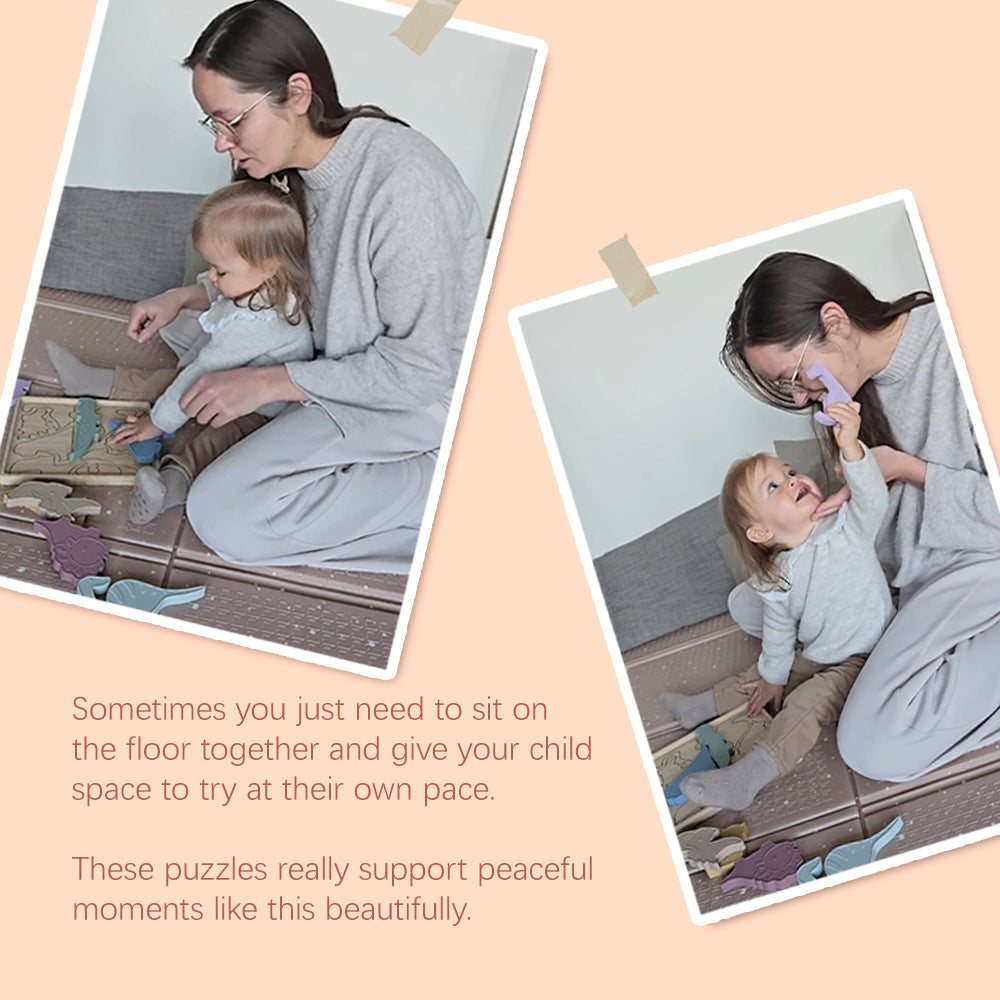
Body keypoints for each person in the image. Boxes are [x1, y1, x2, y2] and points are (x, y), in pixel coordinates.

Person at [124, 0, 485, 572]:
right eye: (211, 124)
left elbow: (420, 369)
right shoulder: (285, 173)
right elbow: (270, 277)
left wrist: (270, 384)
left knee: (221, 513)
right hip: (333, 362)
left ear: (296, 93)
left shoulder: (405, 186)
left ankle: (438, 493)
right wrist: (184, 297)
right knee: (206, 339)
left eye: (232, 121)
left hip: (418, 396)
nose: (221, 143)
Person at [721, 250, 1000, 781]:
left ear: (835, 321)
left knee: (870, 747)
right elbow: (870, 514)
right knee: (753, 598)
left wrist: (909, 469)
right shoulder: (842, 396)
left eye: (796, 377)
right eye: (788, 387)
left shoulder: (961, 346)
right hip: (908, 575)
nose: (801, 396)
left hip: (977, 564)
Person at [660, 401, 891, 809]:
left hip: (864, 657)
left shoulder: (845, 528)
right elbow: (780, 631)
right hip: (818, 650)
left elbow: (873, 497)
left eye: (789, 472)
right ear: (762, 531)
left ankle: (746, 780)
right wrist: (773, 677)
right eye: (774, 487)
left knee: (805, 705)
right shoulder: (776, 575)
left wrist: (850, 446)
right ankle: (700, 706)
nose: (792, 479)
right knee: (764, 674)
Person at [48, 179, 315, 525]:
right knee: (169, 381)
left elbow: (199, 374)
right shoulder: (260, 281)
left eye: (221, 270)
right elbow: (216, 293)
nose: (212, 277)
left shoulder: (259, 325)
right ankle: (94, 381)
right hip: (232, 375)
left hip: (263, 410)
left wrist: (155, 424)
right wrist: (179, 297)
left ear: (268, 267)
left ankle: (169, 486)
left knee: (216, 442)